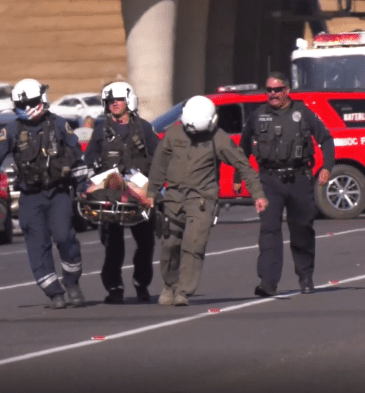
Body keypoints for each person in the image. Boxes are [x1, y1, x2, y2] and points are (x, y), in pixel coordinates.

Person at [0, 78, 91, 309]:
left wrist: (82, 187)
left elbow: (77, 159)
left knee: (64, 237)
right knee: (37, 245)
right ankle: (54, 293)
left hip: (58, 193)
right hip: (30, 197)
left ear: (41, 100)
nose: (26, 109)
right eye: (21, 105)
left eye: (30, 103)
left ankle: (72, 283)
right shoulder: (11, 131)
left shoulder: (60, 125)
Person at [147, 95, 268, 306]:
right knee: (170, 245)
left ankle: (184, 290)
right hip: (174, 198)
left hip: (202, 199)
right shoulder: (172, 135)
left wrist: (257, 194)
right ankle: (169, 285)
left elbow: (242, 165)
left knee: (193, 244)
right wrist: (150, 194)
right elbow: (159, 165)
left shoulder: (218, 138)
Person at [234, 71, 334, 297]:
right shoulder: (258, 116)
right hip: (269, 180)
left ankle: (306, 277)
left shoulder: (303, 113)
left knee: (302, 229)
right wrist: (237, 178)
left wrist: (327, 166)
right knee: (269, 231)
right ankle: (268, 283)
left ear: (287, 91)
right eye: (268, 90)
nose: (272, 94)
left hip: (299, 179)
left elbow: (326, 140)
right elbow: (243, 149)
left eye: (277, 90)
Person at [83, 81, 159, 304]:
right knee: (113, 245)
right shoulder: (100, 131)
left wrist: (154, 188)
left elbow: (160, 158)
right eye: (110, 100)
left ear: (129, 101)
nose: (114, 104)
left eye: (118, 99)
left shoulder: (144, 129)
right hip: (110, 196)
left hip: (138, 194)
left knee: (146, 243)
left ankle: (141, 284)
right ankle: (114, 287)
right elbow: (88, 161)